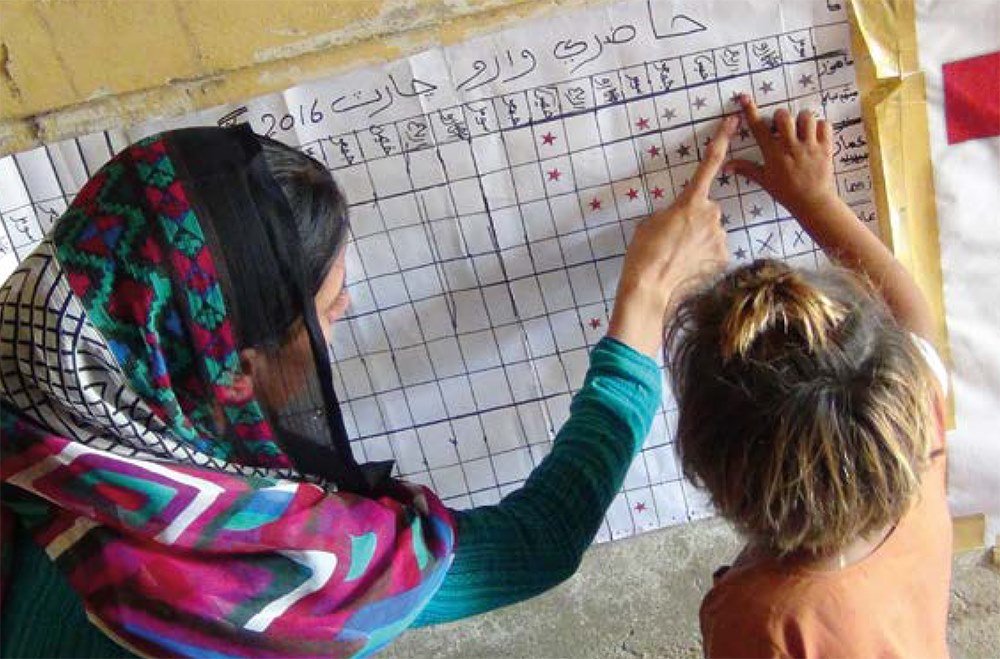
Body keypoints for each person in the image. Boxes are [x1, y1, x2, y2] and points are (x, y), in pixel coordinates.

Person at [0, 117, 734, 656]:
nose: (347, 308)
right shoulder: (253, 571)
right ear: (233, 373)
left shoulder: (28, 425)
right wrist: (647, 300)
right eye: (325, 311)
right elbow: (538, 539)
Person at [670, 96, 951, 657]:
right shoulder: (915, 443)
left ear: (711, 476)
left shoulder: (763, 618)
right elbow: (914, 318)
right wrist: (817, 201)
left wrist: (658, 285)